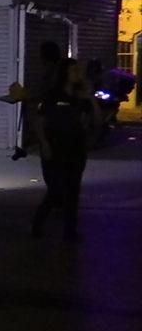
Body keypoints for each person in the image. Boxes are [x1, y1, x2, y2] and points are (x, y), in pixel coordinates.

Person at [31, 57, 97, 242]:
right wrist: (44, 144)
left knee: (73, 190)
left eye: (79, 70)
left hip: (76, 148)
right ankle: (38, 221)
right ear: (65, 74)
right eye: (74, 70)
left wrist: (90, 97)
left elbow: (96, 119)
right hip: (56, 147)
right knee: (57, 190)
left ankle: (70, 231)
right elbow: (39, 121)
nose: (78, 74)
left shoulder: (80, 97)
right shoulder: (53, 95)